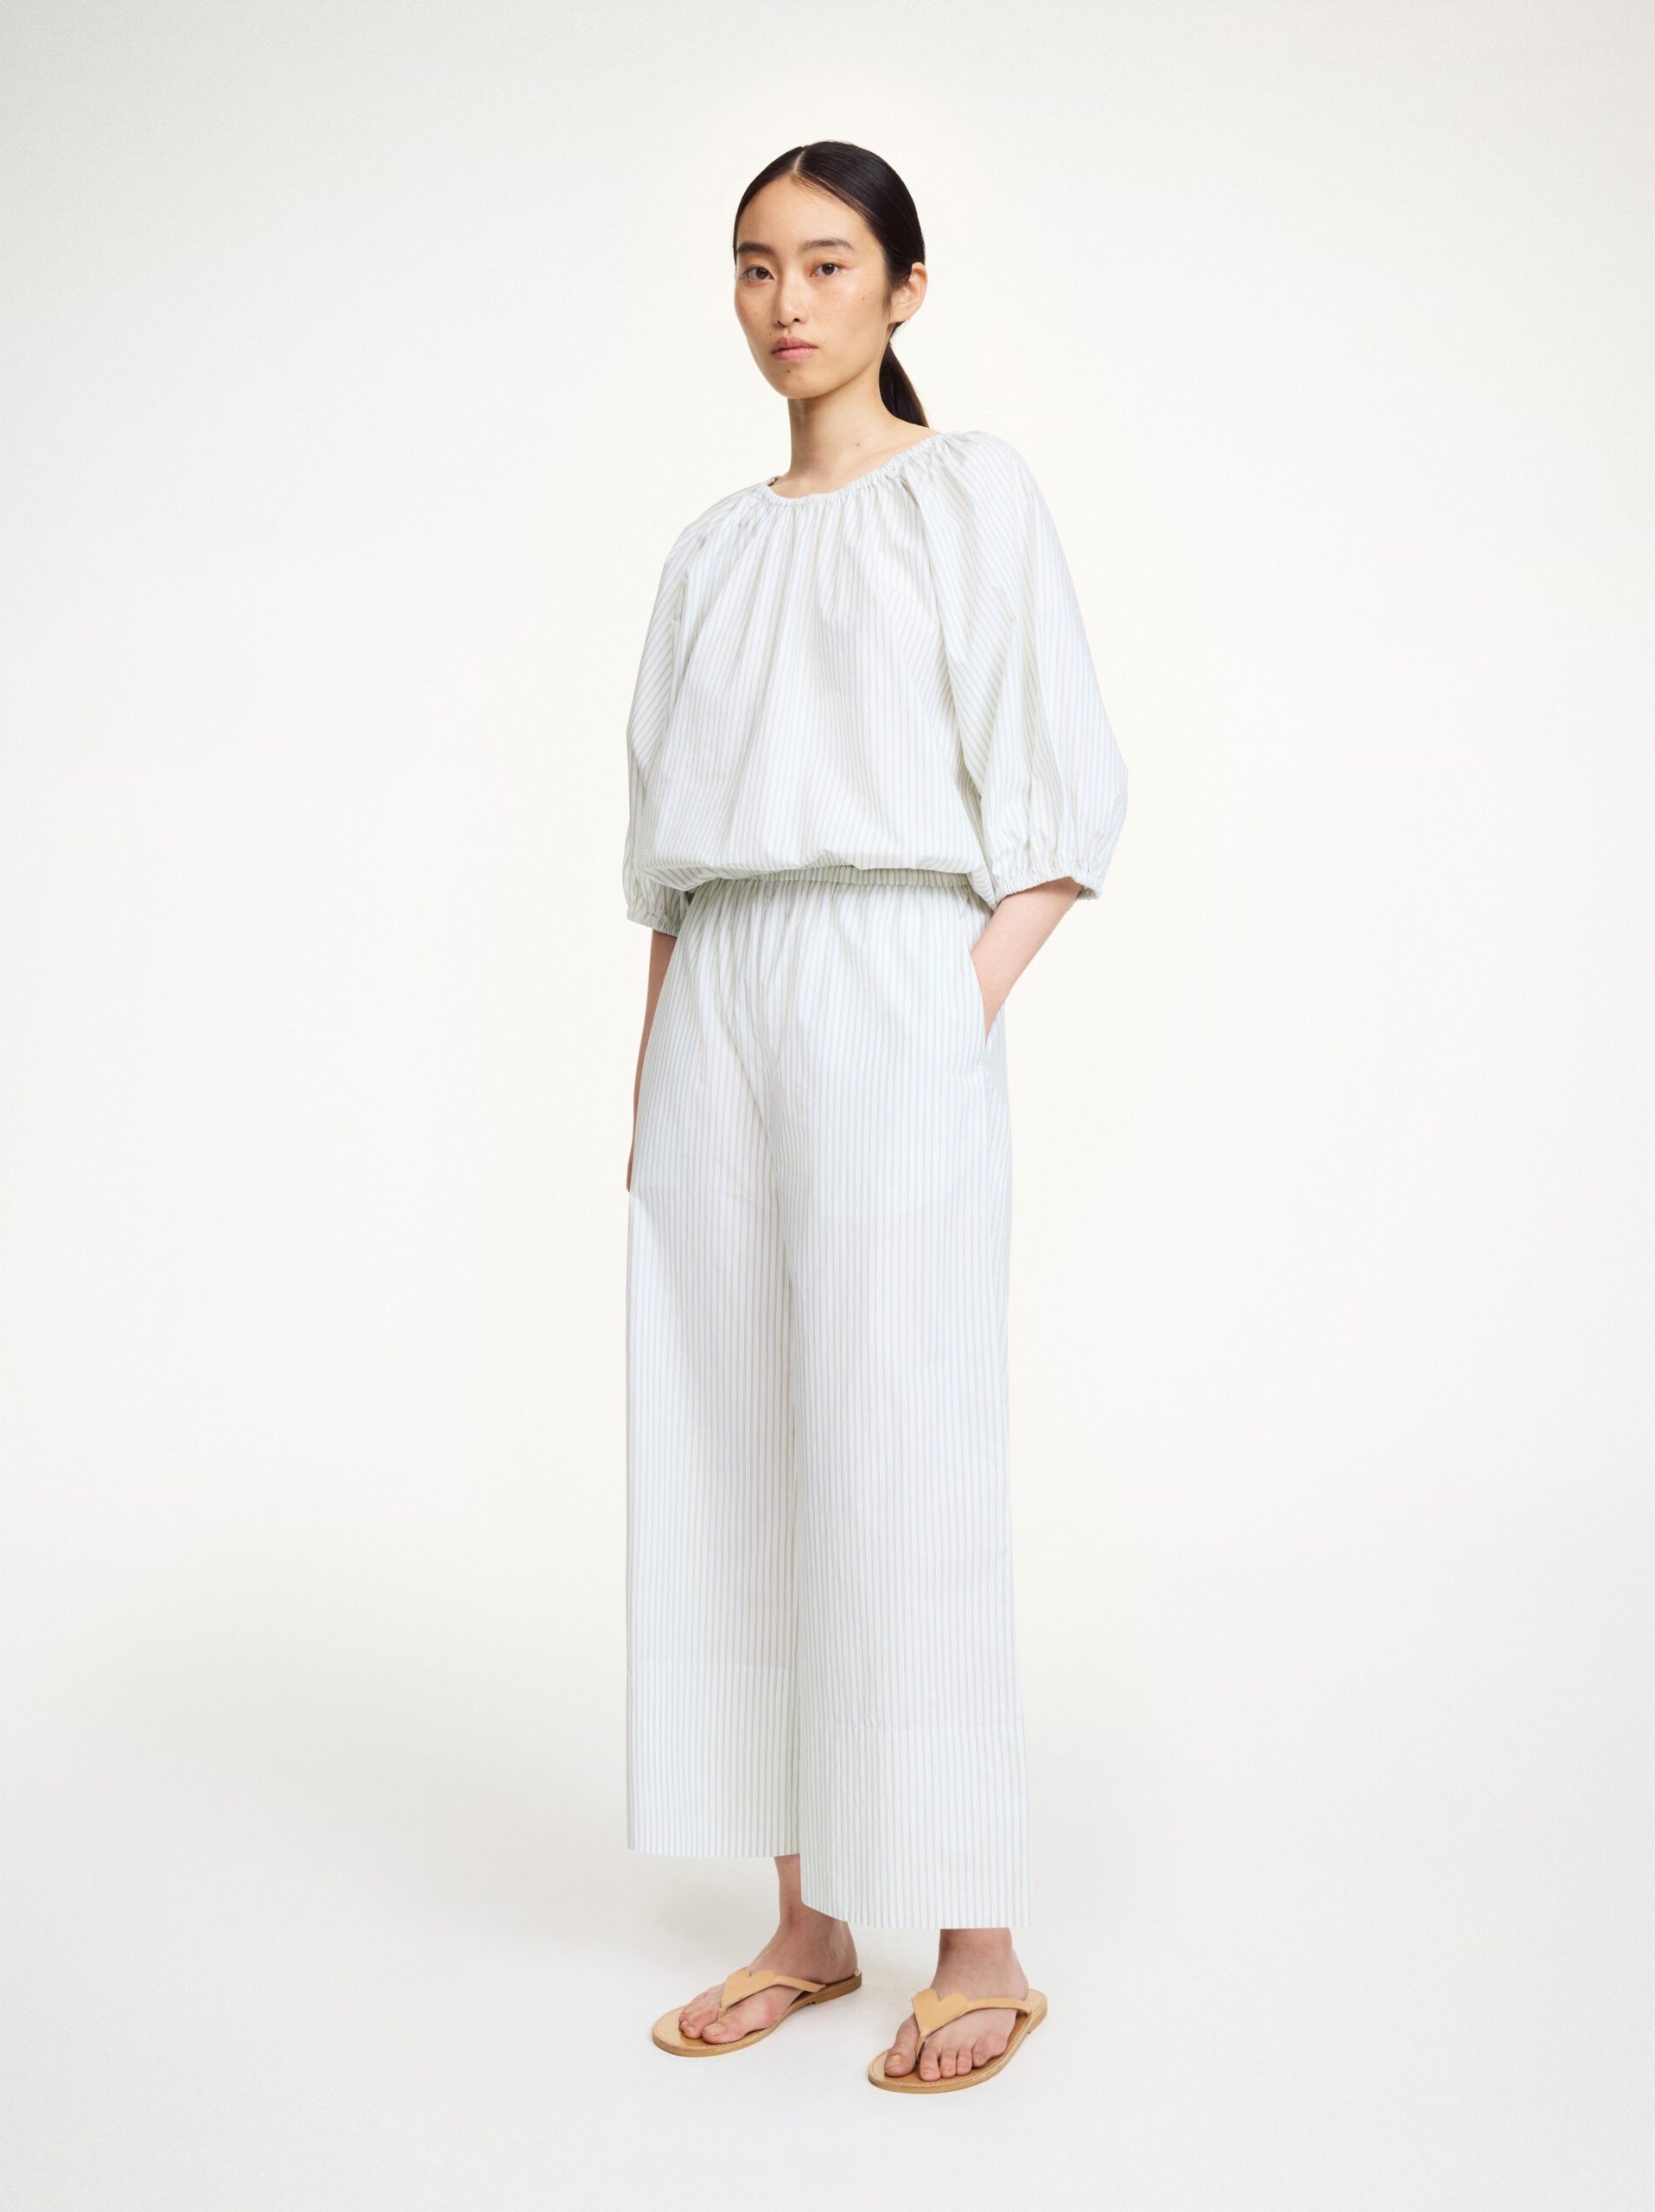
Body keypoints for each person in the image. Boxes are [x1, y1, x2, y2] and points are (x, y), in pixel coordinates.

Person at [621, 140, 1128, 2094]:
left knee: (902, 1445)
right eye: (756, 266)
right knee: (734, 1447)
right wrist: (652, 1086)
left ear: (905, 289)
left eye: (830, 264)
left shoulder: (968, 494)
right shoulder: (709, 551)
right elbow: (666, 866)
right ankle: (809, 1917)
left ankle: (978, 1936)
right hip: (718, 1001)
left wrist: (942, 1014)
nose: (788, 303)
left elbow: (1060, 807)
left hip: (890, 976)